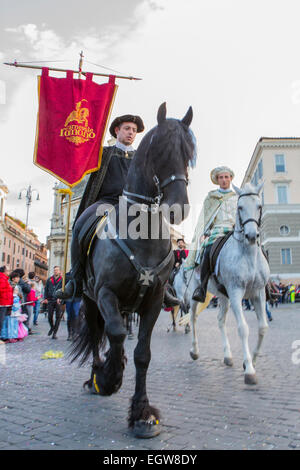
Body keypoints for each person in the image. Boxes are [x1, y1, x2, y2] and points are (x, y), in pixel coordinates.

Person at [185, 166, 238, 303]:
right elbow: (205, 218)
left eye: (226, 177)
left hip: (235, 230)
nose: (224, 180)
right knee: (208, 251)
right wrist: (204, 233)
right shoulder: (211, 198)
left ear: (231, 178)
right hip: (217, 231)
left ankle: (265, 286)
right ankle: (202, 289)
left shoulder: (237, 197)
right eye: (221, 177)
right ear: (217, 180)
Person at [43, 266, 63, 339]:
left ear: (59, 271)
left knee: (58, 317)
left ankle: (54, 333)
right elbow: (46, 289)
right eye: (54, 270)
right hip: (50, 300)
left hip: (58, 301)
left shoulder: (62, 280)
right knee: (49, 316)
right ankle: (52, 327)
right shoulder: (49, 279)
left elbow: (64, 290)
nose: (55, 271)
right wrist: (45, 298)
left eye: (57, 270)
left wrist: (61, 298)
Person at [0, 266, 13, 342]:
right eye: (8, 270)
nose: (9, 272)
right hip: (2, 303)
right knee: (1, 321)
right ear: (4, 271)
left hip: (5, 302)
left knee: (2, 320)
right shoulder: (2, 278)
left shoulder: (4, 279)